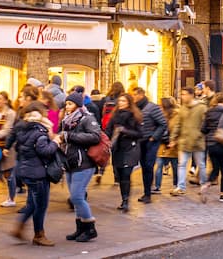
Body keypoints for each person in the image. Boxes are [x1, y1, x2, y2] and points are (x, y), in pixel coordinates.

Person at [7, 101, 59, 246]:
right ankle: (38, 235)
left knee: (32, 203)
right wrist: (56, 142)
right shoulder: (40, 131)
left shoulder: (23, 129)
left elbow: (18, 148)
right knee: (40, 205)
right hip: (38, 173)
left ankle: (20, 227)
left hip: (26, 171)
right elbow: (45, 151)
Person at [57, 92, 101, 243]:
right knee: (77, 198)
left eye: (70, 104)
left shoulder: (87, 118)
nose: (67, 106)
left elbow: (95, 136)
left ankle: (90, 227)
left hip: (84, 163)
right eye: (66, 104)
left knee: (76, 196)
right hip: (70, 163)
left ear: (77, 104)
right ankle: (80, 228)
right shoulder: (66, 120)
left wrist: (69, 136)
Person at [106, 93, 143, 210]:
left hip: (130, 149)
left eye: (123, 101)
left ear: (129, 103)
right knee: (120, 175)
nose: (121, 103)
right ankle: (123, 199)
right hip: (117, 149)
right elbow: (108, 130)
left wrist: (125, 131)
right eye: (120, 101)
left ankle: (126, 201)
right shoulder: (114, 116)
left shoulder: (134, 116)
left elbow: (140, 134)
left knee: (126, 174)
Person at [170, 85, 206, 197]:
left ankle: (203, 184)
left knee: (201, 164)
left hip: (197, 141)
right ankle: (180, 187)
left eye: (184, 94)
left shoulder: (201, 108)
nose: (182, 96)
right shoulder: (182, 108)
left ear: (191, 95)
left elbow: (206, 124)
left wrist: (200, 134)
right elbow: (178, 124)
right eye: (182, 94)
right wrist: (173, 138)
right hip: (184, 141)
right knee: (182, 164)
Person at [131, 87, 167, 203]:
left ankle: (148, 193)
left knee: (148, 165)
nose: (133, 97)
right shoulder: (135, 108)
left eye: (135, 95)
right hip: (140, 141)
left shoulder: (152, 108)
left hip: (151, 142)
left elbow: (162, 123)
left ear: (141, 95)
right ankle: (146, 192)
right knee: (144, 166)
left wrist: (154, 137)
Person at [200, 92, 223, 202]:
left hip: (211, 145)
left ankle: (206, 185)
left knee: (215, 169)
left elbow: (203, 129)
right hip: (222, 144)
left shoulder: (209, 112)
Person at [153, 97, 178, 194]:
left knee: (175, 166)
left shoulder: (176, 115)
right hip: (162, 144)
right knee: (159, 165)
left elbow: (177, 129)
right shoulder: (159, 115)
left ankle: (176, 185)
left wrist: (174, 141)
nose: (159, 107)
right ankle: (157, 186)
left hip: (173, 145)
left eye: (160, 105)